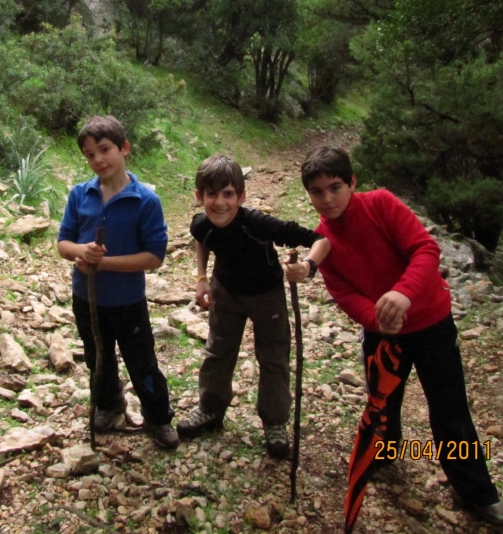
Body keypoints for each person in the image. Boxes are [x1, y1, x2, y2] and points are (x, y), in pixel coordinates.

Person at [300, 146, 503, 531]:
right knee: (381, 406)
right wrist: (375, 319)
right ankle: (385, 452)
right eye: (317, 191)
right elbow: (342, 291)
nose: (327, 199)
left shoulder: (381, 204)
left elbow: (425, 250)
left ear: (352, 183)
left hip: (431, 322)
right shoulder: (322, 238)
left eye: (335, 187)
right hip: (381, 336)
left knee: (450, 412)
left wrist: (403, 293)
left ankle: (478, 491)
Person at [176, 154, 330, 459]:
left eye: (229, 194)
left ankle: (275, 422)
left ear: (242, 196)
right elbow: (202, 238)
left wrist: (309, 267)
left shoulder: (258, 223)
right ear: (199, 197)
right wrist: (202, 277)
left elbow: (320, 239)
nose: (220, 203)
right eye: (211, 194)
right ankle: (210, 410)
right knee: (218, 351)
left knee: (273, 357)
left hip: (266, 294)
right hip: (226, 291)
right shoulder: (201, 224)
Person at [57, 115, 178, 449]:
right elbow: (63, 242)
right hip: (86, 297)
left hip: (127, 301)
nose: (98, 159)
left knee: (141, 360)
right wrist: (81, 251)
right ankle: (110, 405)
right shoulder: (80, 195)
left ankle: (158, 416)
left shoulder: (145, 201)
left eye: (105, 149)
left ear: (124, 149)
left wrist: (103, 262)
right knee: (98, 356)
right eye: (89, 154)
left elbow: (154, 257)